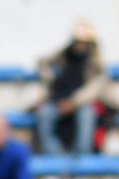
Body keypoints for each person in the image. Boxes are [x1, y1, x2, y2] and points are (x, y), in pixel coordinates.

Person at [37, 21, 105, 156]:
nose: (80, 44)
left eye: (84, 41)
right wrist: (50, 78)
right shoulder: (63, 55)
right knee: (44, 114)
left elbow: (94, 88)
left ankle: (80, 157)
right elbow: (42, 62)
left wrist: (73, 103)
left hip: (81, 104)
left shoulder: (95, 63)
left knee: (87, 114)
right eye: (78, 41)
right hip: (59, 100)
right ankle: (53, 156)